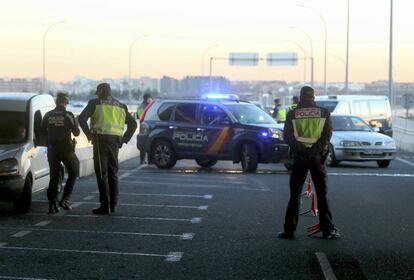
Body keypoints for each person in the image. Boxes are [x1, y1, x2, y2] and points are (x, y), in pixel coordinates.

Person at [278, 86, 340, 239]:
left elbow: (288, 136)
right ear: (313, 97)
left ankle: (289, 231)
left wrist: (302, 151)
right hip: (317, 158)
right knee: (322, 195)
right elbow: (327, 136)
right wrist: (314, 151)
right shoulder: (324, 113)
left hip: (299, 158)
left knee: (295, 194)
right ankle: (327, 230)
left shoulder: (292, 114)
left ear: (300, 97)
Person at [78, 83, 137, 215]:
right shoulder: (121, 106)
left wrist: (88, 134)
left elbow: (81, 118)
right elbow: (133, 124)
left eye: (97, 92)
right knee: (113, 173)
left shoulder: (94, 103)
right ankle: (113, 205)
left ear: (100, 91)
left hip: (100, 141)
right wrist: (124, 139)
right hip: (115, 142)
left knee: (102, 174)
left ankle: (105, 205)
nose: (97, 94)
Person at [41, 92, 80, 214]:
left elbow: (42, 131)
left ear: (56, 102)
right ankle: (65, 200)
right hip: (66, 148)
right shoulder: (68, 115)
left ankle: (52, 204)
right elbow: (77, 132)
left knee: (54, 176)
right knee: (74, 171)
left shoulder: (48, 115)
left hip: (52, 149)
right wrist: (76, 122)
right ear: (65, 102)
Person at [136, 93, 154, 164]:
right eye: (150, 98)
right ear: (147, 99)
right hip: (146, 127)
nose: (151, 100)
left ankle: (143, 160)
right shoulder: (147, 107)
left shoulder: (141, 106)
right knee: (149, 143)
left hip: (142, 127)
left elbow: (138, 117)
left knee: (144, 144)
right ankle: (149, 160)